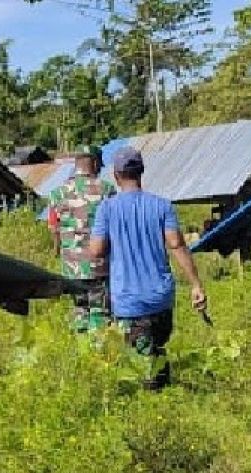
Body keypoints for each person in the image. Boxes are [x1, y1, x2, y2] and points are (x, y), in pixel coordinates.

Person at [90, 147, 208, 389]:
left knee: (142, 362)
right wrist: (196, 284)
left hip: (128, 301)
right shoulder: (162, 206)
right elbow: (176, 244)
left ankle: (154, 403)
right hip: (160, 298)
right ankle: (164, 394)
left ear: (116, 175)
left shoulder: (107, 208)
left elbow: (96, 250)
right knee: (156, 349)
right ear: (141, 172)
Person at [48, 145, 117, 332]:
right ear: (94, 163)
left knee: (79, 310)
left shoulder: (57, 194)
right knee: (100, 312)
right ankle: (98, 354)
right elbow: (114, 228)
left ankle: (81, 350)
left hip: (71, 266)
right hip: (99, 265)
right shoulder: (107, 191)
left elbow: (54, 229)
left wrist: (58, 251)